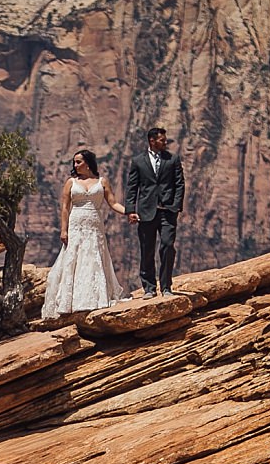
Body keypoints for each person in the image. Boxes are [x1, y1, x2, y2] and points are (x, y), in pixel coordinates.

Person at [40, 148, 126, 320]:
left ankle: (94, 298)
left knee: (94, 258)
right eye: (74, 162)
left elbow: (113, 203)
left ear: (88, 163)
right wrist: (63, 230)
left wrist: (129, 212)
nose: (75, 165)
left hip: (94, 225)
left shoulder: (102, 182)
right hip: (76, 223)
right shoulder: (71, 182)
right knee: (74, 258)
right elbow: (64, 207)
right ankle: (69, 301)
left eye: (78, 161)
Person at [124, 125, 185, 296]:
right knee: (147, 249)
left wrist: (176, 206)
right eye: (162, 140)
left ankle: (166, 287)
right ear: (152, 141)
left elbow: (180, 184)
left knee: (167, 246)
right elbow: (132, 187)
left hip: (167, 211)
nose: (165, 142)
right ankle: (149, 288)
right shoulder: (138, 161)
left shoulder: (172, 159)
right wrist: (130, 210)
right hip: (146, 211)